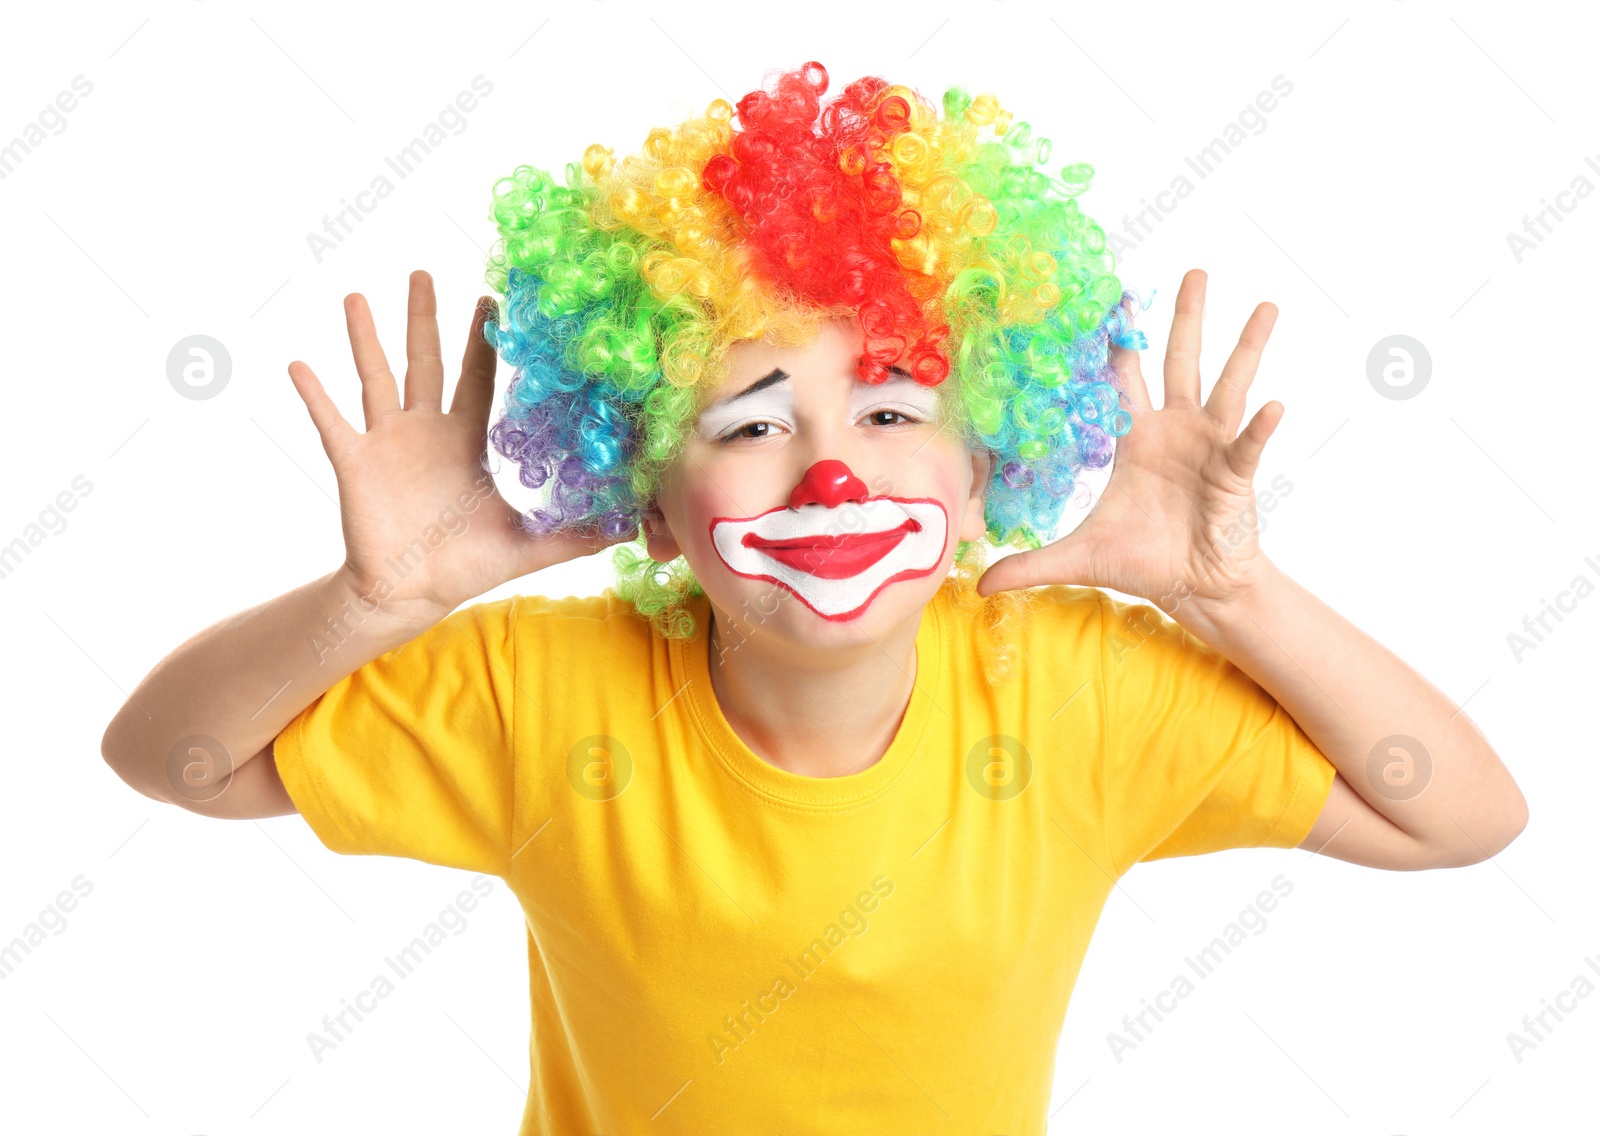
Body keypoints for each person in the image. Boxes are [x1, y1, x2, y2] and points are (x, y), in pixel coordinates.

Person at [101, 61, 1527, 1135]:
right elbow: (171, 760)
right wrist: (376, 603)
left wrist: (1233, 593)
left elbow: (1461, 815)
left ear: (987, 476)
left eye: (898, 415)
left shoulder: (1077, 687)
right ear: (649, 501)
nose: (832, 475)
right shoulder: (544, 689)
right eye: (751, 424)